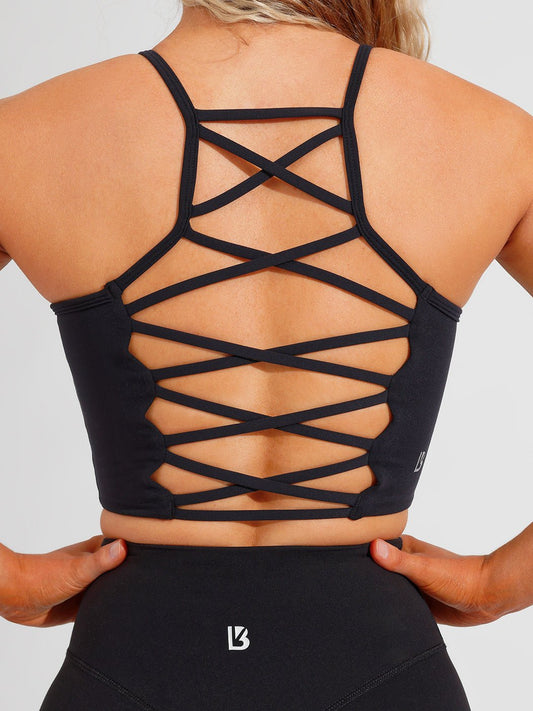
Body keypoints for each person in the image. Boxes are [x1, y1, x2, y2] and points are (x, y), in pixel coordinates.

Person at [0, 1, 531, 709]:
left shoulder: (26, 136)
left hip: (132, 651)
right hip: (378, 658)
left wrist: (7, 579)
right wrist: (498, 583)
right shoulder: (492, 136)